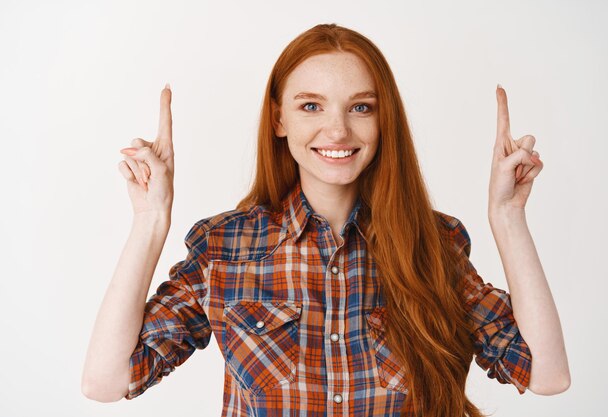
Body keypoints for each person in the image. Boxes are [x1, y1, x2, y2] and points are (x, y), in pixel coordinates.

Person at [81, 23, 570, 417]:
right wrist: (150, 221)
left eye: (360, 107)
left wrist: (508, 217)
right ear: (279, 120)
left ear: (383, 122)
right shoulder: (225, 248)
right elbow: (107, 381)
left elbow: (546, 374)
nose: (337, 129)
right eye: (310, 105)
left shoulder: (433, 245)